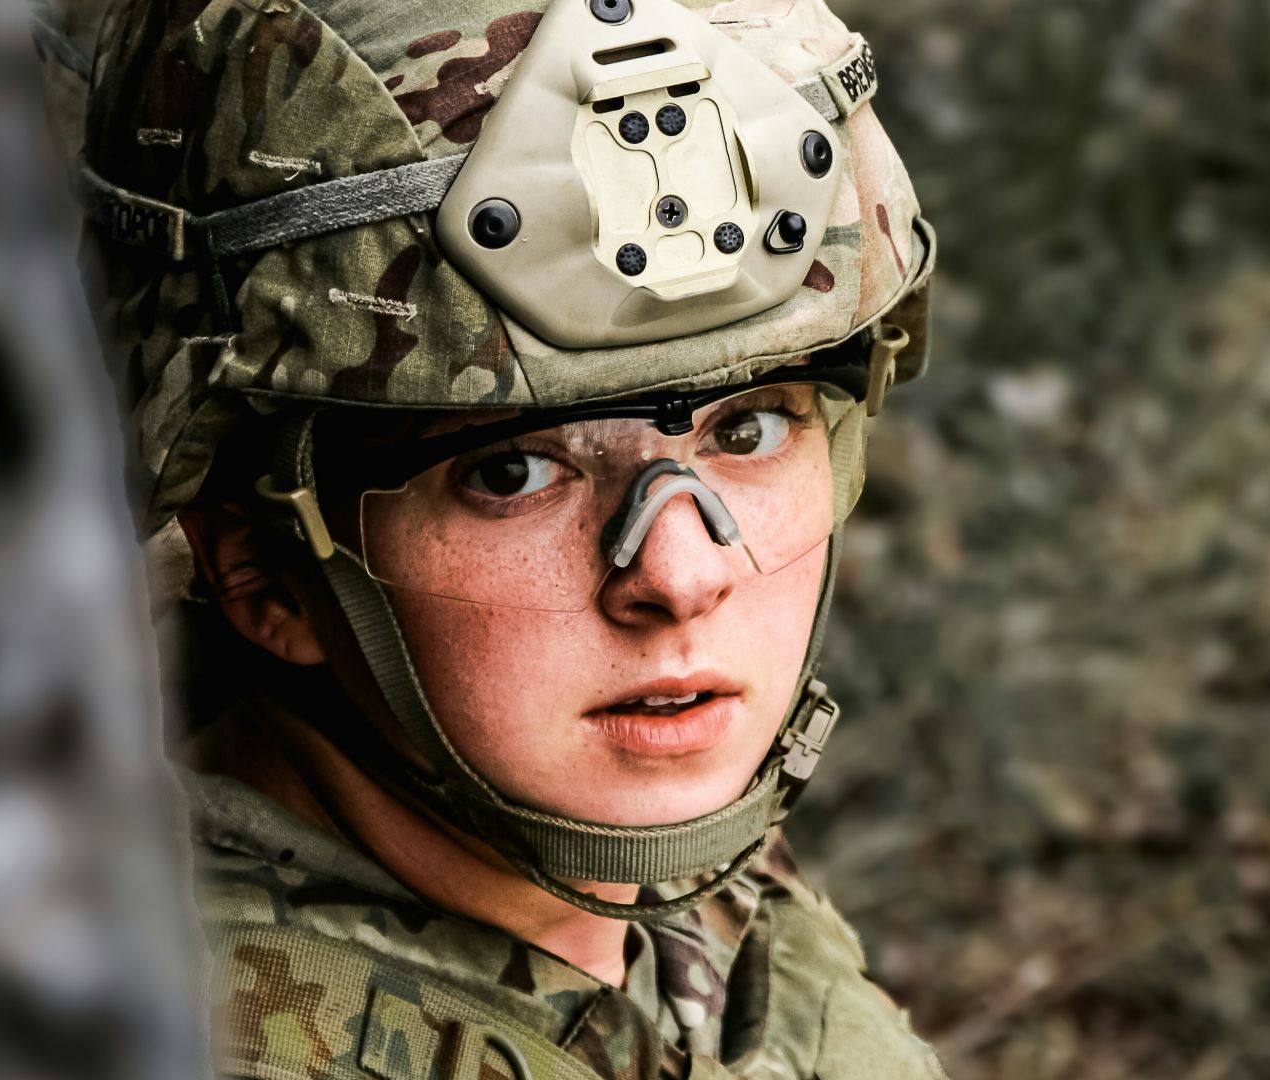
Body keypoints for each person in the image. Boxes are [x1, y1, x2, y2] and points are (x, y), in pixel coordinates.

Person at [65, 0, 940, 1076]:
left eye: (747, 428)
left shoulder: (614, 850)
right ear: (259, 566)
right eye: (512, 473)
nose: (680, 575)